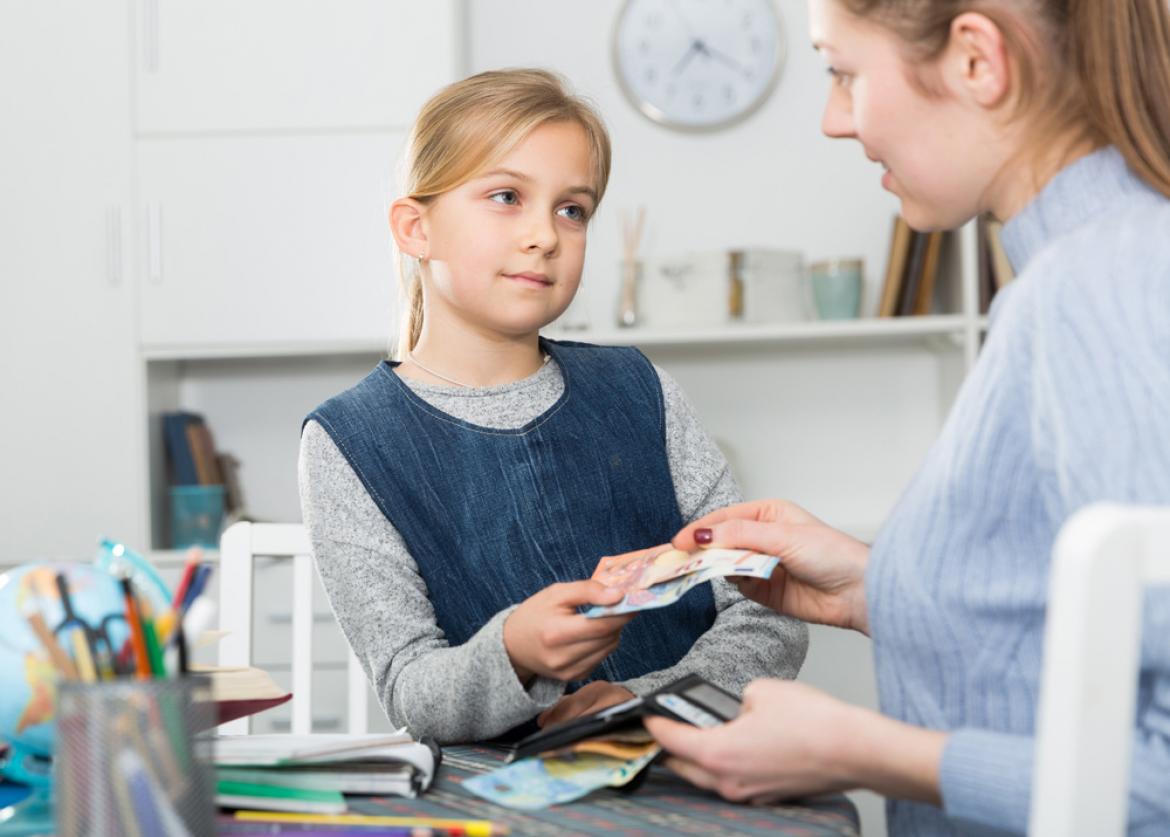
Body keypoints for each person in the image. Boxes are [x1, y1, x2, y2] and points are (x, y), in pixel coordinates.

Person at [643, 0, 1170, 834]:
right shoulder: (1076, 276)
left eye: (844, 72)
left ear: (975, 61)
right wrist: (871, 584)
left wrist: (860, 750)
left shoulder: (1100, 286)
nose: (833, 120)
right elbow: (1077, 629)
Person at [298, 69, 807, 745]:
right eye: (507, 196)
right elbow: (412, 690)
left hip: (695, 770)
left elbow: (766, 611)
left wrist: (642, 701)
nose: (545, 234)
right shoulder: (347, 441)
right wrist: (512, 650)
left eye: (573, 209)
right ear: (415, 228)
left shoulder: (639, 389)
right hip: (495, 799)